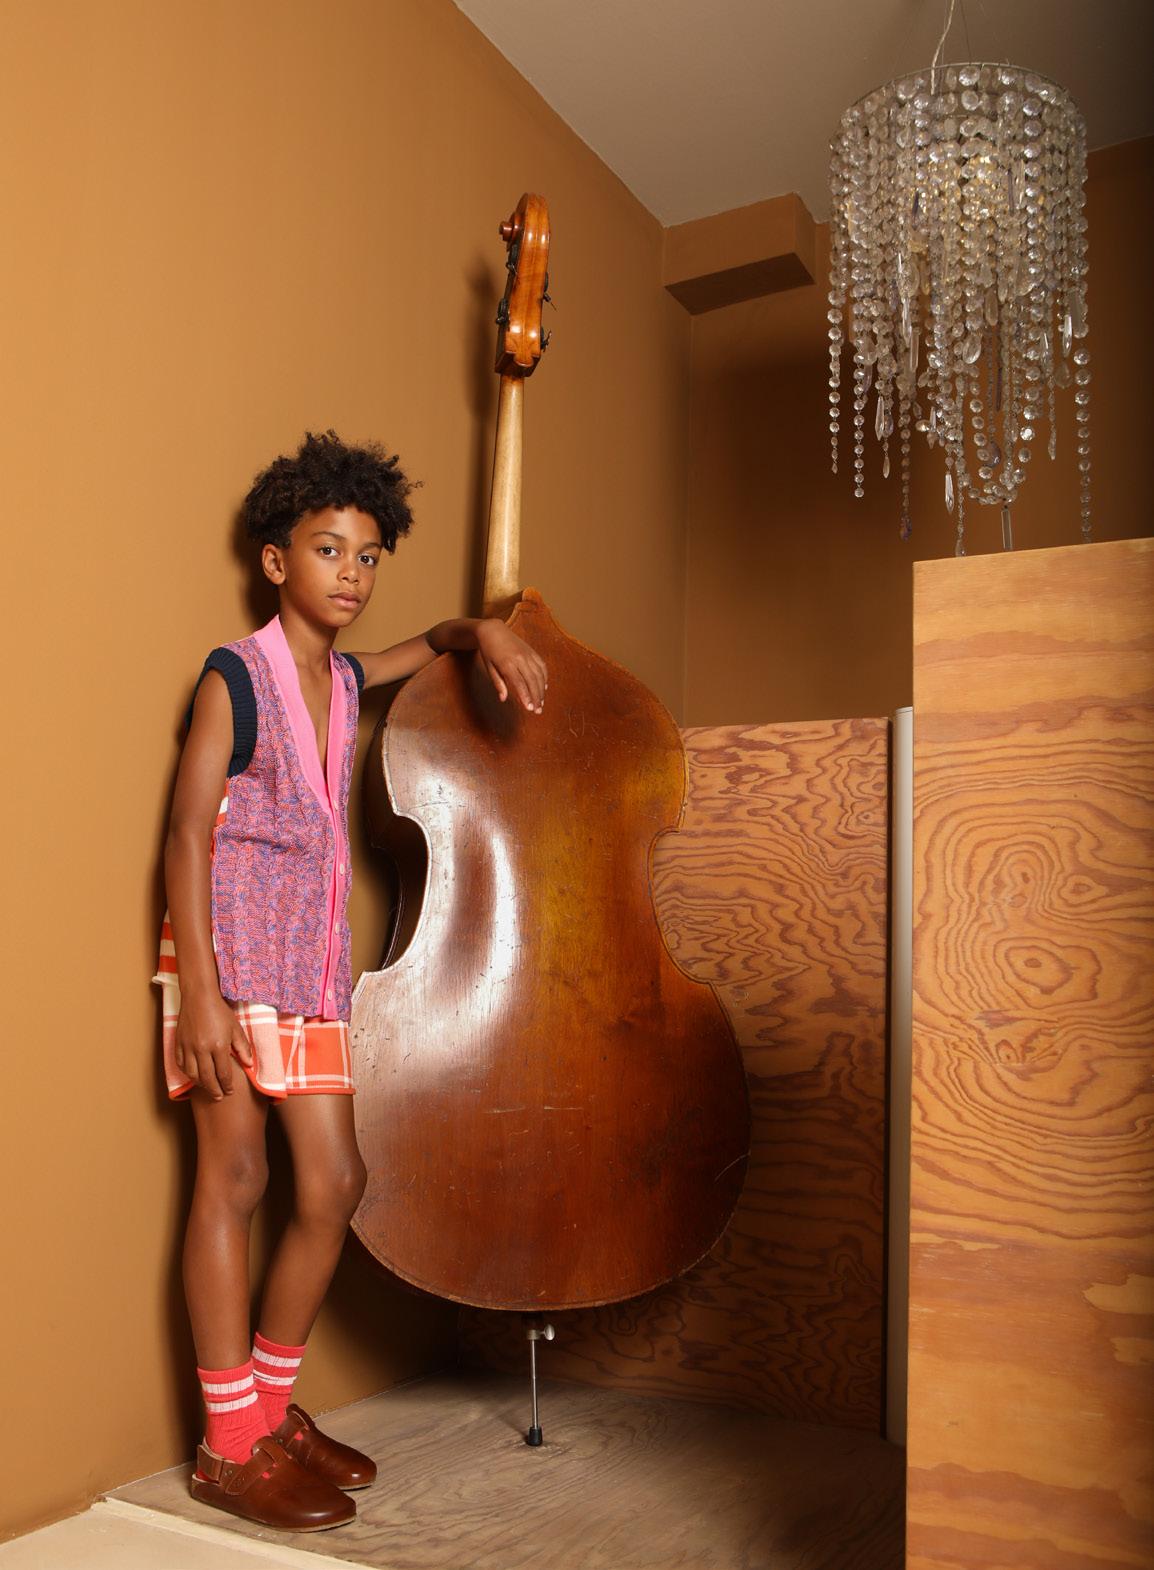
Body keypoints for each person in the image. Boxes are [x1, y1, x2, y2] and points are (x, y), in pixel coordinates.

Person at [154, 430, 546, 1532]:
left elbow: (423, 645)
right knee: (234, 1178)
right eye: (329, 550)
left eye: (368, 556)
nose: (351, 573)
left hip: (309, 969)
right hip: (231, 960)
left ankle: (266, 1411)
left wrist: (477, 630)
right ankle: (229, 1445)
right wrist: (203, 998)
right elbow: (186, 834)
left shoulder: (340, 677)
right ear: (277, 560)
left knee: (331, 1184)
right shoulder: (234, 675)